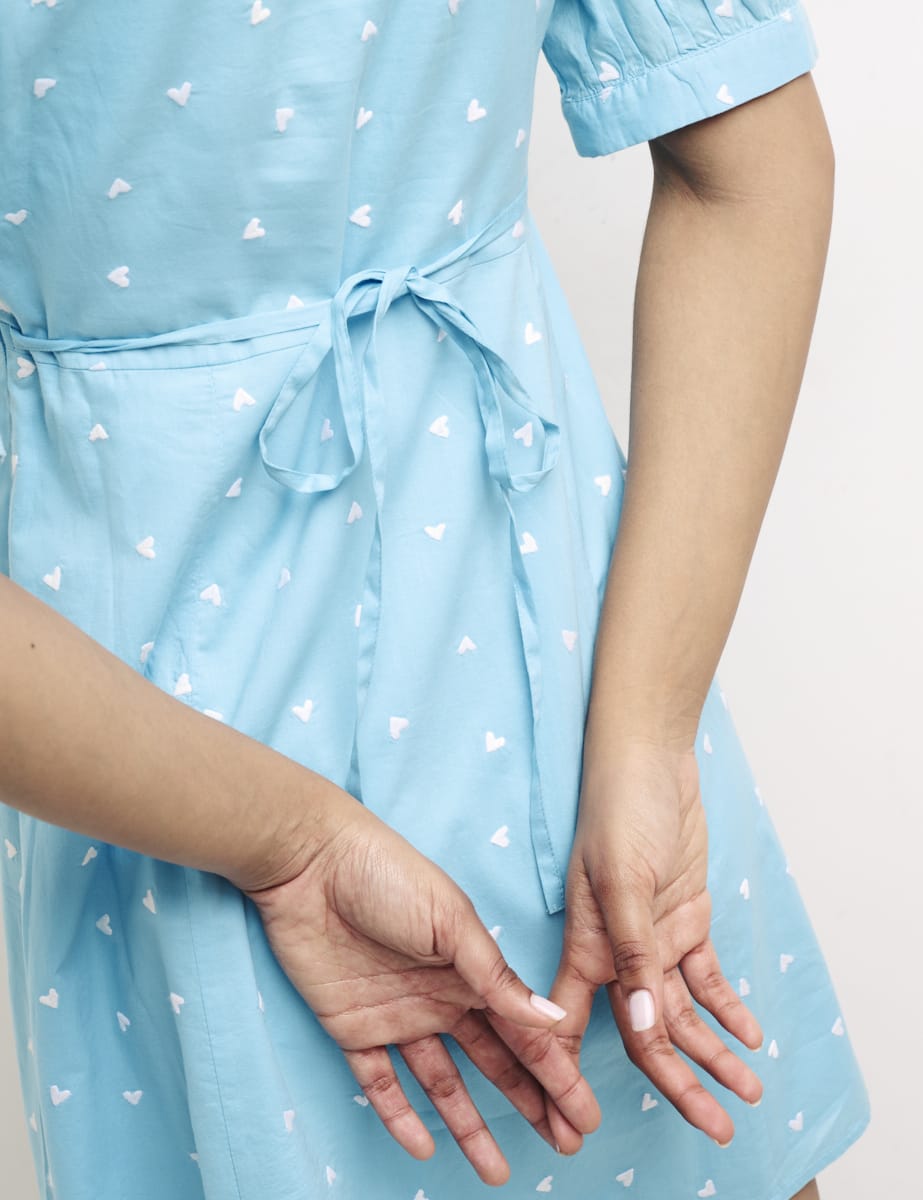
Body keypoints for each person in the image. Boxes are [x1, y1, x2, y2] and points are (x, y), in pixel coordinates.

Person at [0, 1, 870, 1197]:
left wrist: (641, 740)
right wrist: (643, 735)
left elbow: (750, 159)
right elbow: (751, 155)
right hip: (560, 692)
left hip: (162, 725)